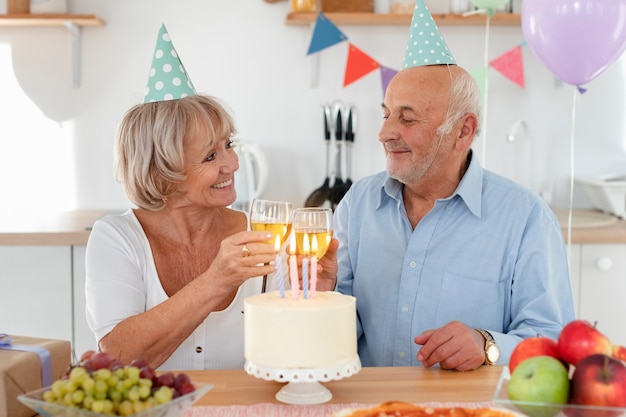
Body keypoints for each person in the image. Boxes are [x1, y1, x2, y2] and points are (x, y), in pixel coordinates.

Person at [327, 63, 576, 371]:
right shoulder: (358, 203)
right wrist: (320, 295)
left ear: (464, 130)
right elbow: (334, 335)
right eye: (386, 114)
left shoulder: (527, 219)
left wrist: (488, 345)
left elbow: (552, 343)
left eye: (407, 118)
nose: (385, 133)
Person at [85, 25, 280, 371]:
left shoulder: (262, 235)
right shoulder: (117, 238)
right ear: (163, 172)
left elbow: (290, 353)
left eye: (229, 145)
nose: (232, 164)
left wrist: (317, 289)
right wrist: (215, 280)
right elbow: (115, 358)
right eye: (210, 157)